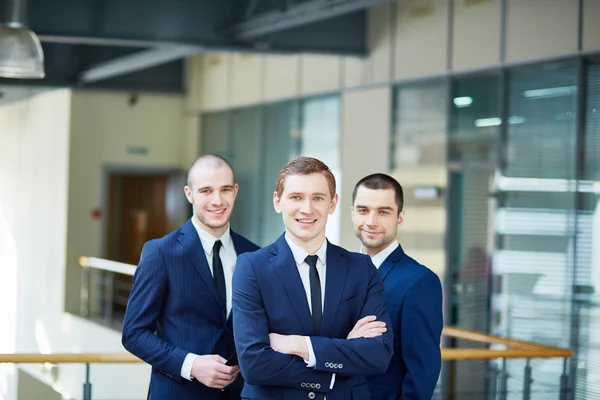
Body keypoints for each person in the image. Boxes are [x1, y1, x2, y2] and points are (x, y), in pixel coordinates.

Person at [232, 156, 393, 400]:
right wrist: (340, 357)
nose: (307, 209)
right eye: (296, 197)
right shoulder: (251, 267)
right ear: (278, 202)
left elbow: (378, 355)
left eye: (317, 197)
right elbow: (254, 364)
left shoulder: (361, 268)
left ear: (333, 203)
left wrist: (300, 346)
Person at [122, 154, 260, 400]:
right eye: (206, 191)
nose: (217, 200)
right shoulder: (161, 253)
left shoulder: (254, 254)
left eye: (225, 189)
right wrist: (192, 365)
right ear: (189, 194)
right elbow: (134, 334)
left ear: (235, 191)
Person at [351, 173, 443, 400]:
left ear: (400, 217)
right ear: (352, 213)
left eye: (383, 212)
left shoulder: (419, 281)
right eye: (363, 210)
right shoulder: (340, 270)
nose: (371, 221)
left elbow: (422, 371)